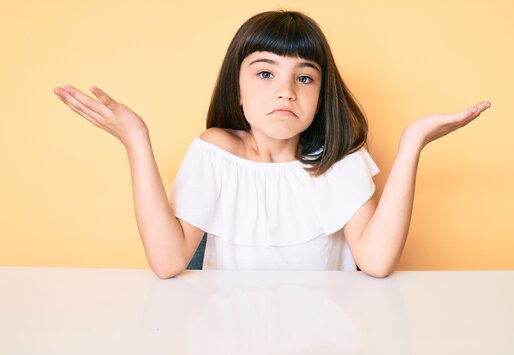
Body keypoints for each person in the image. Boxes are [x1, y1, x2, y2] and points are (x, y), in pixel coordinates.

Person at [53, 10, 491, 279]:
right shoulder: (216, 151)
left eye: (304, 77)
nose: (286, 91)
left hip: (326, 339)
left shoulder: (340, 160)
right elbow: (168, 262)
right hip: (232, 338)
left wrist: (412, 142)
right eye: (265, 73)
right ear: (237, 89)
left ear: (320, 98)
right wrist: (136, 140)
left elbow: (376, 262)